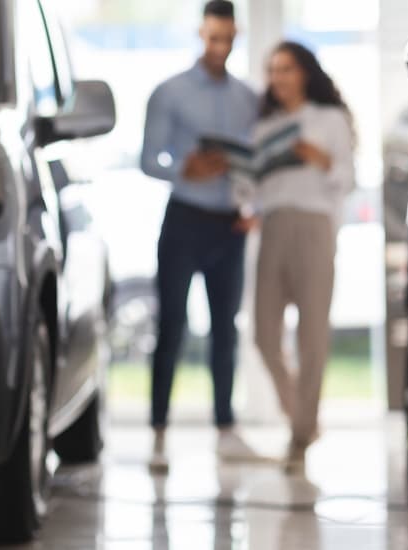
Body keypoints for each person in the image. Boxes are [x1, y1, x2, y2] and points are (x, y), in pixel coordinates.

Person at [140, 0, 261, 470]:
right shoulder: (169, 93)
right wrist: (183, 168)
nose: (220, 47)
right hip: (184, 219)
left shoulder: (248, 97)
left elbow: (260, 161)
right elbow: (149, 160)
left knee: (225, 329)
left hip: (229, 225)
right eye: (213, 38)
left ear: (236, 35)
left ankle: (226, 429)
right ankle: (158, 434)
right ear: (200, 33)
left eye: (228, 39)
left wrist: (254, 205)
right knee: (172, 326)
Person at [247, 41, 356, 470]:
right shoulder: (263, 128)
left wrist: (322, 159)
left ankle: (298, 437)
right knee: (264, 335)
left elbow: (347, 179)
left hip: (314, 227)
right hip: (272, 226)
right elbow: (253, 187)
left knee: (312, 336)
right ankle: (302, 417)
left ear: (305, 73)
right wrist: (243, 192)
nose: (279, 78)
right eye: (273, 70)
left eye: (287, 69)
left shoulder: (330, 119)